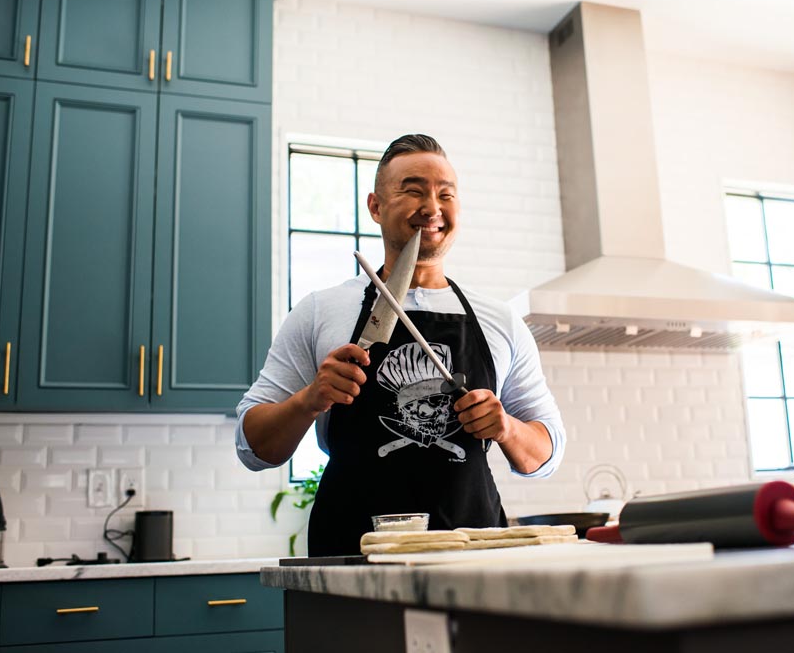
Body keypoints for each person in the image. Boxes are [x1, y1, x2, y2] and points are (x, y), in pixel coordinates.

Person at [235, 134, 565, 556]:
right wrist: (308, 400)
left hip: (474, 560)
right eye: (413, 190)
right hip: (352, 556)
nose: (432, 207)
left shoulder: (500, 321)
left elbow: (546, 453)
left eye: (446, 194)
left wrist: (507, 427)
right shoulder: (322, 310)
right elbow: (252, 447)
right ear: (375, 206)